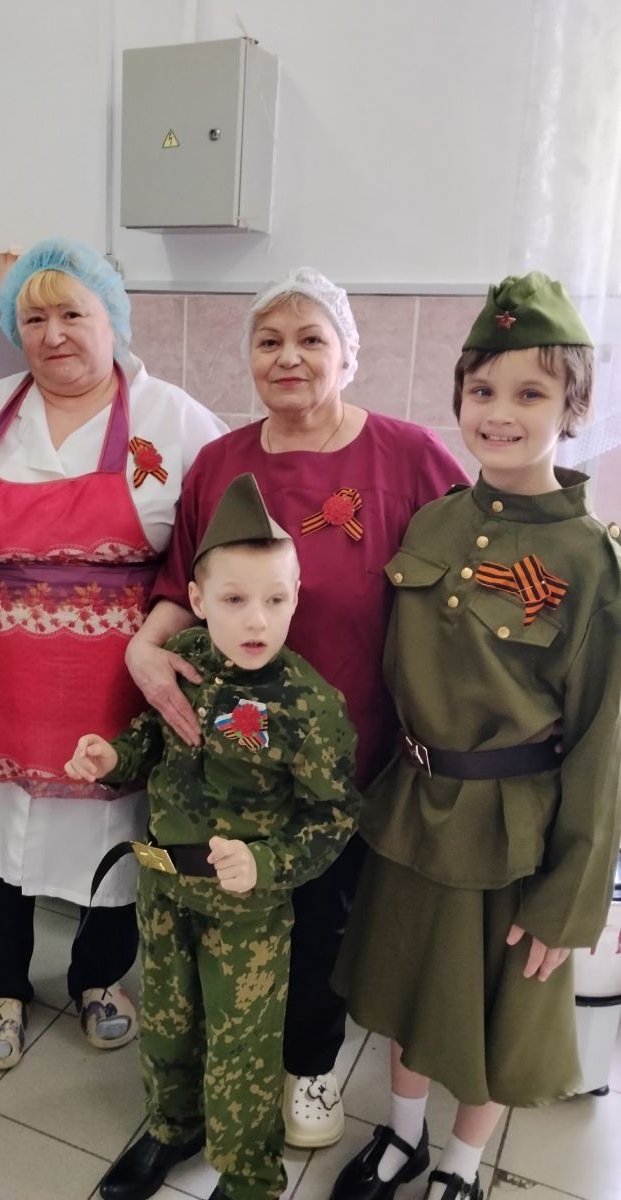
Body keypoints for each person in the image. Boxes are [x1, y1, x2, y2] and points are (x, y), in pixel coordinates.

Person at [125, 266, 467, 1147]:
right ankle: (207, 1067)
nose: (289, 358)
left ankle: (309, 1066)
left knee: (320, 918)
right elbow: (179, 583)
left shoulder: (406, 457)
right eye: (269, 341)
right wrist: (142, 648)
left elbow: (466, 582)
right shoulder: (220, 464)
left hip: (350, 750)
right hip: (231, 749)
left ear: (348, 354)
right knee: (228, 913)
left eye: (312, 340)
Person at [329, 272, 621, 1200]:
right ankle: (403, 1137)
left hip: (511, 833)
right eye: (482, 389)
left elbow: (603, 743)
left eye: (530, 393)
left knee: (492, 1016)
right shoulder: (436, 520)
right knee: (408, 990)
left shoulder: (587, 559)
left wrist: (570, 898)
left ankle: (460, 1164)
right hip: (414, 808)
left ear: (572, 407)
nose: (499, 413)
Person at [0, 238, 228, 1069]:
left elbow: (215, 549)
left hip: (112, 687)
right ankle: (1, 989)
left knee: (111, 836)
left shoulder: (172, 420)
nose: (54, 333)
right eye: (34, 319)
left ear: (114, 319)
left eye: (73, 313)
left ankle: (100, 979)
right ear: (13, 328)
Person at [66, 473, 361, 1200]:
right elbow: (152, 736)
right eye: (234, 600)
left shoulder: (308, 704)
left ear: (297, 595)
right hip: (165, 886)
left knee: (241, 1049)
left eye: (275, 600)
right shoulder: (186, 660)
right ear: (197, 600)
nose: (256, 620)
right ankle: (173, 1127)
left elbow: (333, 818)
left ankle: (249, 1176)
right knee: (167, 1025)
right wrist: (111, 758)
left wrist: (264, 862)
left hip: (247, 912)